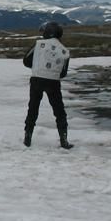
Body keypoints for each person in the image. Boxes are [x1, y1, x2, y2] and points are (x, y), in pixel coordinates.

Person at [22, 21, 73, 149]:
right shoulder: (64, 51)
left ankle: (27, 137)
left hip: (37, 79)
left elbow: (26, 61)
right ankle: (64, 139)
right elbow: (63, 73)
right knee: (59, 111)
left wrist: (39, 67)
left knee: (33, 108)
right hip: (53, 82)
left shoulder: (39, 45)